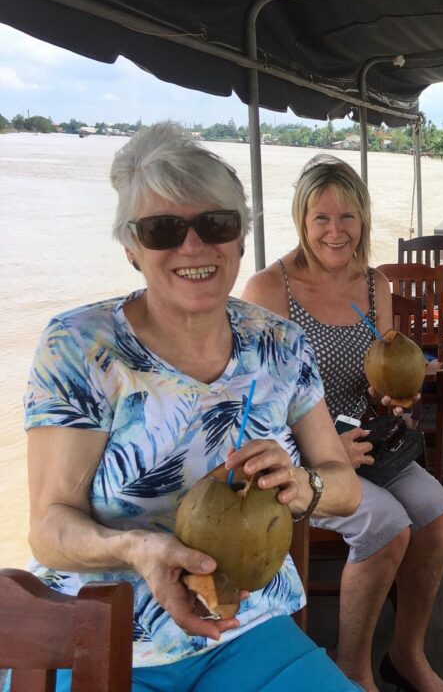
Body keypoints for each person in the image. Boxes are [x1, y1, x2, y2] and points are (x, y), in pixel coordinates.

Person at [22, 123, 363, 691]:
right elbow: (49, 526)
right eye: (163, 229)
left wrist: (304, 485)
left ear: (241, 237)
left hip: (248, 625)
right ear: (132, 247)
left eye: (216, 224)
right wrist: (137, 548)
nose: (193, 246)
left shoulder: (277, 342)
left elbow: (343, 483)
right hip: (106, 632)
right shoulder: (82, 346)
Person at [242, 155, 443, 692]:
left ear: (363, 220)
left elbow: (376, 378)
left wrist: (393, 395)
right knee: (386, 526)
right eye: (321, 218)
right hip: (296, 459)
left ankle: (406, 653)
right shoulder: (269, 292)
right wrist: (318, 448)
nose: (336, 231)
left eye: (348, 217)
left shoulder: (375, 286)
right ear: (301, 220)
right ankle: (352, 668)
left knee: (436, 512)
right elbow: (248, 411)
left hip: (364, 443)